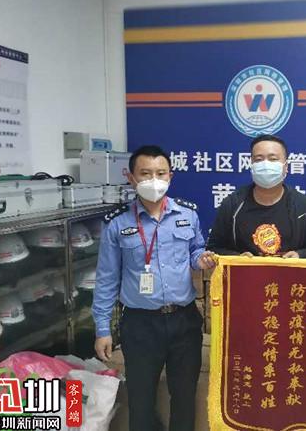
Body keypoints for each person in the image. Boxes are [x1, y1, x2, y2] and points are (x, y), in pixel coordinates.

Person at [92, 145, 215, 431]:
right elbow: (107, 279)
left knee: (183, 397)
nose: (154, 180)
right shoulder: (117, 223)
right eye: (145, 174)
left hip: (184, 320)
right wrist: (102, 329)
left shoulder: (187, 214)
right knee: (141, 400)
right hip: (140, 324)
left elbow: (195, 252)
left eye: (160, 173)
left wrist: (202, 259)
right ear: (131, 177)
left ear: (170, 176)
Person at [206, 134, 306, 258]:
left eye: (273, 159)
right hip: (245, 270)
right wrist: (237, 257)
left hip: (289, 271)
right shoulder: (232, 204)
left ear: (286, 166)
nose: (265, 165)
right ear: (251, 165)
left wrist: (299, 255)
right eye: (259, 159)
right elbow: (214, 248)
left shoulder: (302, 204)